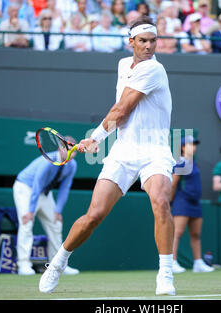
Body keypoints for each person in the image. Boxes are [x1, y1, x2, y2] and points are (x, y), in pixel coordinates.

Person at [39, 15, 178, 296]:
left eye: (153, 41)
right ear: (131, 42)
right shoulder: (123, 65)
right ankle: (57, 263)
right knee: (94, 215)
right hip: (124, 150)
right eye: (142, 41)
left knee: (161, 201)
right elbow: (121, 109)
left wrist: (95, 138)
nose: (149, 46)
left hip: (155, 150)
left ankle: (165, 274)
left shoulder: (154, 70)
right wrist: (97, 139)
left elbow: (123, 109)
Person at [14, 136, 79, 276]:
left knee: (56, 224)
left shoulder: (72, 165)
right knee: (26, 223)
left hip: (44, 193)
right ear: (60, 149)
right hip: (26, 188)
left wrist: (58, 210)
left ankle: (58, 266)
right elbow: (36, 185)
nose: (71, 154)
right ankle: (23, 265)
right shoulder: (47, 162)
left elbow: (65, 189)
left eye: (74, 151)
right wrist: (30, 211)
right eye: (68, 150)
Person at [170, 135, 214, 274]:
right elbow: (173, 183)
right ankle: (172, 262)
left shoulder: (193, 163)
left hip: (195, 202)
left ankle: (198, 263)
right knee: (177, 233)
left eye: (194, 144)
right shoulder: (181, 162)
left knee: (196, 234)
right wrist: (169, 201)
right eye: (190, 144)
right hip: (182, 201)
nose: (193, 147)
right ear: (182, 147)